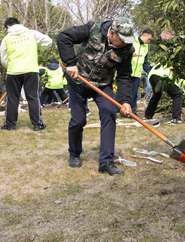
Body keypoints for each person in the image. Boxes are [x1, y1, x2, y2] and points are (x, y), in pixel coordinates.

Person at [57, 17, 135, 176]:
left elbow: (124, 76)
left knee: (109, 116)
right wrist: (70, 63)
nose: (126, 44)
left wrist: (125, 101)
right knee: (78, 120)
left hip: (102, 84)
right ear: (112, 33)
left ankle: (106, 162)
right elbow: (64, 37)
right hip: (78, 81)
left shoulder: (127, 49)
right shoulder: (93, 29)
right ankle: (74, 153)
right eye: (123, 40)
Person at [0, 17, 52, 131]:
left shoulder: (7, 39)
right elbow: (48, 41)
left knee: (12, 99)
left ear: (8, 26)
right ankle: (37, 124)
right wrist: (39, 49)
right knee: (33, 97)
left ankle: (10, 125)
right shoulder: (31, 33)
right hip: (31, 69)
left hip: (13, 71)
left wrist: (10, 65)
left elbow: (3, 58)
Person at [128, 29, 154, 115]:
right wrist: (130, 55)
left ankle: (132, 111)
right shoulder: (132, 41)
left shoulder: (146, 47)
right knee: (122, 92)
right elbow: (123, 53)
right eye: (148, 39)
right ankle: (115, 110)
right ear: (143, 36)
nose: (149, 41)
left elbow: (145, 62)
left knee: (134, 94)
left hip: (137, 73)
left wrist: (150, 73)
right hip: (127, 71)